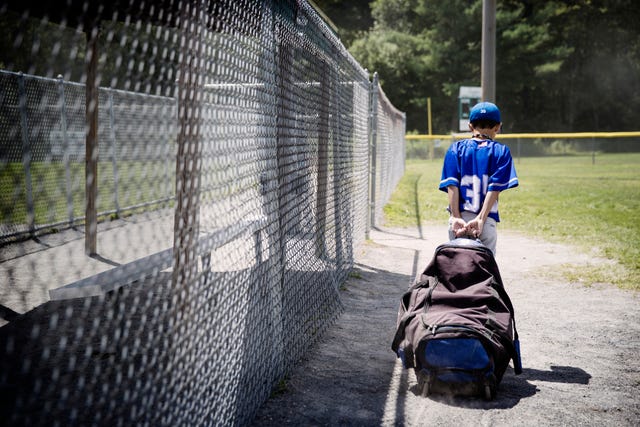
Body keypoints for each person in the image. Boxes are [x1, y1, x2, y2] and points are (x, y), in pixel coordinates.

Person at [439, 101, 518, 254]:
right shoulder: (501, 152)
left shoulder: (455, 149)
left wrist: (456, 217)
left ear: (470, 126)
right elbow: (494, 188)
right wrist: (481, 219)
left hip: (458, 222)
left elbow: (452, 186)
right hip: (485, 221)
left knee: (456, 268)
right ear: (498, 127)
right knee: (484, 272)